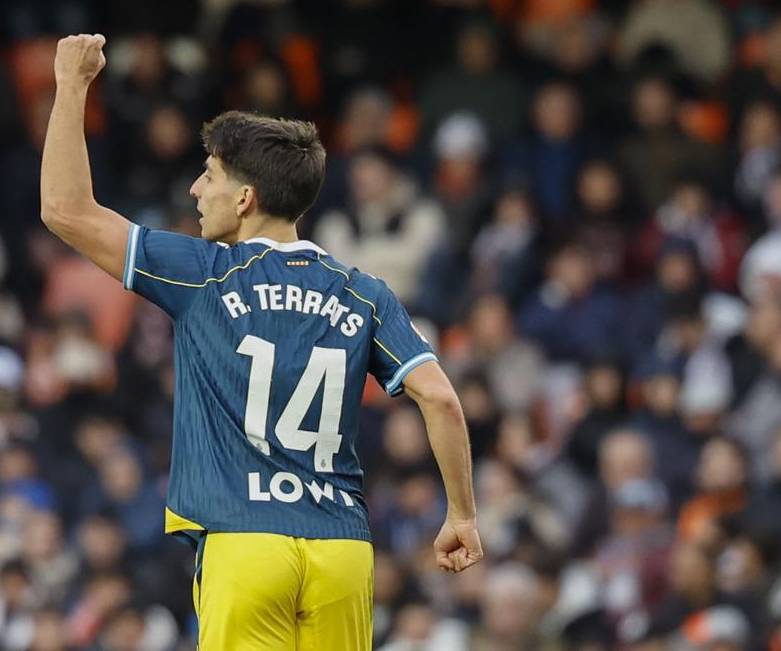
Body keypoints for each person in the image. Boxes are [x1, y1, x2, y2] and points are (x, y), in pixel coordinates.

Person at [39, 34, 482, 650]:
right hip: (343, 551)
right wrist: (461, 514)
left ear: (245, 199)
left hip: (242, 542)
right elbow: (441, 400)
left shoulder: (202, 272)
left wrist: (71, 86)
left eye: (209, 176)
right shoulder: (365, 294)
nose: (196, 190)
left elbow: (65, 208)